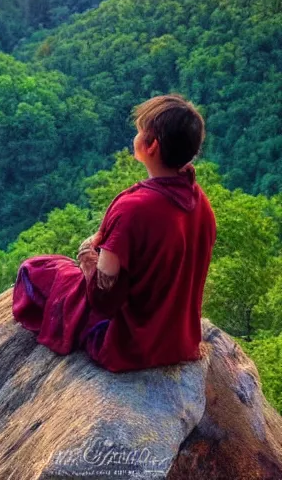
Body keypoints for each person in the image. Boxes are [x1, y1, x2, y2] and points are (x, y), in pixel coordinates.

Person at [12, 93, 217, 373]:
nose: (135, 136)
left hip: (129, 345)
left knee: (34, 270)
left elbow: (102, 299)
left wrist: (86, 256)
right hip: (180, 340)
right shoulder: (199, 201)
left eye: (139, 130)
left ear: (152, 145)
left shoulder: (133, 209)